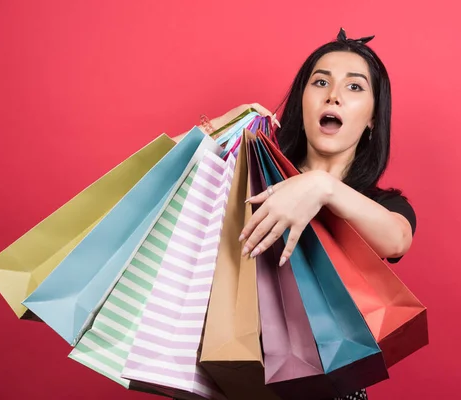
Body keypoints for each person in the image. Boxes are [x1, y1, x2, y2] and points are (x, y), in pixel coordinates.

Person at [177, 28, 417, 400]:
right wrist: (222, 127)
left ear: (372, 118)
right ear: (302, 100)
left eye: (354, 87)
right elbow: (157, 178)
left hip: (324, 388)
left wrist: (322, 186)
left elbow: (398, 238)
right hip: (223, 375)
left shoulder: (379, 205)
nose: (333, 95)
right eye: (320, 82)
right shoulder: (251, 172)